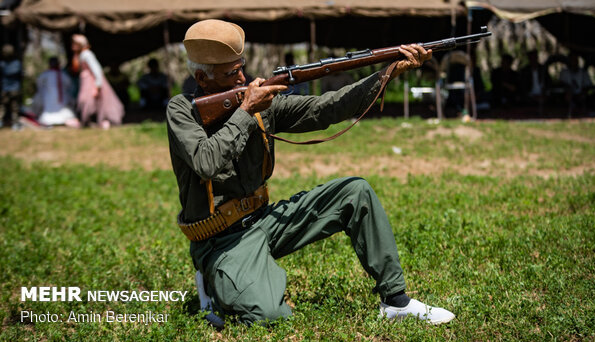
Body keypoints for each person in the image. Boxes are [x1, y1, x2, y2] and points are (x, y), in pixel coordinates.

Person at [166, 19, 455, 327]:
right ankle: (214, 282)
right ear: (201, 77)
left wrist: (386, 74)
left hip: (264, 221)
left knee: (354, 192)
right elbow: (206, 162)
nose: (242, 78)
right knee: (270, 317)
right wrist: (245, 113)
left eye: (241, 68)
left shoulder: (256, 103)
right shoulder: (182, 110)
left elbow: (326, 109)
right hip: (221, 241)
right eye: (230, 73)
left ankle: (396, 302)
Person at [72, 34, 124, 129]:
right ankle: (87, 121)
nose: (73, 46)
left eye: (75, 44)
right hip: (86, 81)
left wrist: (98, 85)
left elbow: (97, 70)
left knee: (90, 101)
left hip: (91, 82)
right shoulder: (81, 55)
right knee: (86, 102)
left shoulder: (87, 54)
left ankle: (98, 121)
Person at [32, 56, 80, 128]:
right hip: (49, 100)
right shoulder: (49, 75)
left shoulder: (61, 75)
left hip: (60, 100)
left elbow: (69, 85)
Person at [559, 52, 592, 116]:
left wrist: (583, 92)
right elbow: (561, 83)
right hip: (568, 95)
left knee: (583, 96)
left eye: (575, 60)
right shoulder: (564, 72)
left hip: (580, 94)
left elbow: (588, 85)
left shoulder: (583, 72)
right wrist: (567, 88)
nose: (573, 62)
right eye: (572, 60)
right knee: (568, 95)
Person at [0, 43, 23, 130]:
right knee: (14, 107)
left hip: (7, 88)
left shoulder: (2, 64)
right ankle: (15, 123)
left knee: (4, 106)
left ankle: (5, 122)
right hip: (13, 88)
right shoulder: (16, 64)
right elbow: (21, 75)